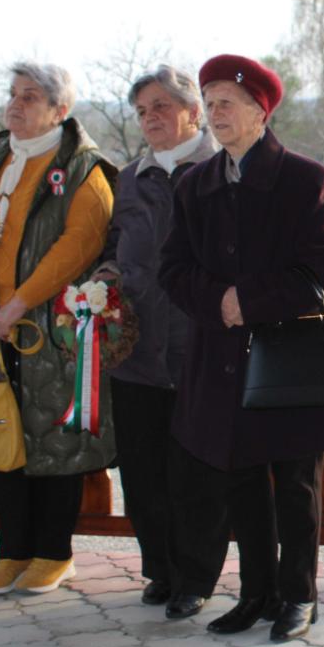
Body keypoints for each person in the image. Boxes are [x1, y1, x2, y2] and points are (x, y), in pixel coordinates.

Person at [158, 54, 324, 641]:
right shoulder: (195, 185)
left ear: (260, 112)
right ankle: (256, 593)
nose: (215, 113)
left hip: (289, 361)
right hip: (222, 361)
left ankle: (299, 596)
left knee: (295, 487)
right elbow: (173, 268)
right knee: (240, 484)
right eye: (210, 102)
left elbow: (320, 266)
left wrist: (248, 301)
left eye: (228, 103)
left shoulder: (304, 179)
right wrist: (219, 301)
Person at [0, 62, 116, 595]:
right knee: (4, 434)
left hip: (52, 329)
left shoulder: (83, 168)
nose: (15, 104)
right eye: (13, 94)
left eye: (31, 96)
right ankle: (12, 551)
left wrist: (18, 304)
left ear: (60, 110)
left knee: (55, 440)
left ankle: (54, 554)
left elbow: (79, 245)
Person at [95, 65, 218, 607]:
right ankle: (160, 570)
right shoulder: (128, 179)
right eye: (143, 111)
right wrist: (104, 279)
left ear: (192, 111)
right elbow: (113, 246)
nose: (150, 118)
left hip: (199, 349)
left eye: (161, 106)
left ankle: (196, 579)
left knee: (195, 473)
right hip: (137, 351)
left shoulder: (221, 171)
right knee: (143, 472)